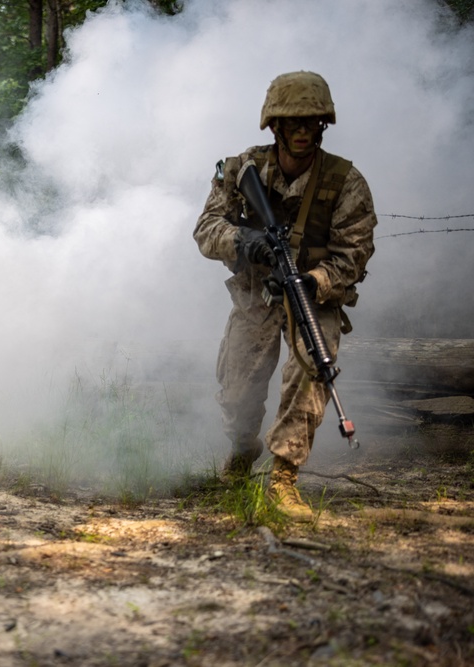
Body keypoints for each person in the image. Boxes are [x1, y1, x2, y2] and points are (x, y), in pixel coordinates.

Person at [193, 71, 376, 521]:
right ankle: (242, 451)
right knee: (238, 393)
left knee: (311, 372)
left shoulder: (345, 181)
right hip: (257, 293)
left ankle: (282, 478)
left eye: (311, 123)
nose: (301, 132)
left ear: (323, 125)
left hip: (313, 296)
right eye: (292, 123)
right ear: (273, 126)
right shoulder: (242, 169)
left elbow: (354, 252)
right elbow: (206, 230)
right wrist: (244, 242)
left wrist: (314, 280)